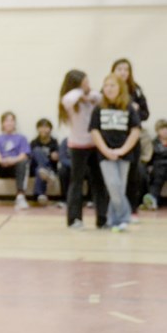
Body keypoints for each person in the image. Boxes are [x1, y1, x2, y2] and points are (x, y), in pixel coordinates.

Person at [90, 74, 141, 232]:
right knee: (113, 185)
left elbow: (135, 131)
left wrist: (122, 150)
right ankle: (125, 217)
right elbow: (94, 131)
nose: (109, 89)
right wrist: (106, 150)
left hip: (124, 154)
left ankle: (114, 221)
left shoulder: (128, 107)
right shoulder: (98, 108)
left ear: (120, 88)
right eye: (106, 86)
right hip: (105, 155)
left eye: (112, 85)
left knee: (120, 188)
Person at [59, 69, 106, 230]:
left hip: (95, 144)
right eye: (84, 82)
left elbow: (101, 97)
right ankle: (74, 219)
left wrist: (89, 95)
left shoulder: (91, 97)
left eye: (88, 82)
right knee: (76, 183)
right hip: (78, 146)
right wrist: (81, 92)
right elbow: (67, 98)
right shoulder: (71, 99)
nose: (88, 85)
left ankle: (102, 218)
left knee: (99, 183)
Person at [111, 58, 149, 222]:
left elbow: (146, 114)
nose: (123, 72)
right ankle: (114, 211)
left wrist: (136, 111)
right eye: (119, 69)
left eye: (126, 69)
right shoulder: (107, 89)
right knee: (114, 177)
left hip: (132, 139)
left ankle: (132, 209)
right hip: (112, 139)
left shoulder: (136, 90)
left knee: (133, 175)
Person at [29, 118, 60, 206]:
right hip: (35, 167)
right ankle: (45, 170)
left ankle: (40, 195)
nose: (43, 129)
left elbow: (58, 157)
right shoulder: (34, 142)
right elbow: (30, 157)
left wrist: (56, 156)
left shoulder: (54, 142)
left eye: (46, 127)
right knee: (37, 151)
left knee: (40, 170)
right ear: (37, 129)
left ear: (50, 129)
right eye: (41, 127)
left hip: (50, 168)